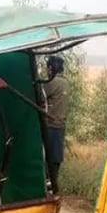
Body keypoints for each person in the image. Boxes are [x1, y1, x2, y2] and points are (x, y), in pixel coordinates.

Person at [42, 56, 70, 185]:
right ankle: (53, 183)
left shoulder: (52, 83)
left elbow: (39, 96)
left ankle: (47, 182)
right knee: (57, 156)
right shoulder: (66, 82)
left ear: (50, 68)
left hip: (50, 124)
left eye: (47, 68)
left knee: (47, 156)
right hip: (61, 125)